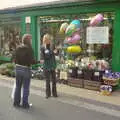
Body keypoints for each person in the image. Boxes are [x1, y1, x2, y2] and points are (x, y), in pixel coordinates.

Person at [13, 34, 35, 109]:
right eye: (31, 39)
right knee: (26, 87)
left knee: (18, 86)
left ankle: (16, 103)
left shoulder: (18, 48)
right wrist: (38, 61)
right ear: (28, 40)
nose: (31, 41)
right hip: (26, 69)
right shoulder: (29, 49)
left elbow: (14, 59)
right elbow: (32, 61)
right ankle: (25, 104)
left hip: (18, 68)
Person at [40, 33, 58, 99]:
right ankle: (48, 94)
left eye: (47, 39)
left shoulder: (52, 45)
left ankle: (54, 93)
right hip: (46, 65)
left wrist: (55, 51)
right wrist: (52, 52)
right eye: (45, 39)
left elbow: (56, 52)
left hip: (52, 64)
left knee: (54, 80)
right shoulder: (42, 47)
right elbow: (44, 57)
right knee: (47, 81)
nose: (46, 40)